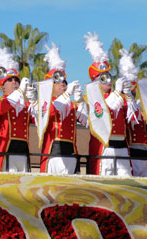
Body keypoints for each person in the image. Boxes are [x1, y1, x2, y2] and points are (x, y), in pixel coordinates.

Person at [83, 32, 133, 176]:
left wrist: (129, 97)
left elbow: (134, 118)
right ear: (95, 80)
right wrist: (118, 93)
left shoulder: (120, 97)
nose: (108, 80)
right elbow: (104, 111)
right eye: (103, 77)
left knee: (126, 185)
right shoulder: (91, 98)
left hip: (122, 146)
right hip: (105, 147)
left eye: (108, 76)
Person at [36, 43, 86, 174]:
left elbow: (88, 122)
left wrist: (81, 102)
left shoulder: (71, 104)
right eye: (58, 82)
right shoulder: (43, 103)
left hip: (71, 153)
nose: (62, 85)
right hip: (53, 154)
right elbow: (50, 112)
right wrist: (67, 94)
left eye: (64, 83)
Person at [0, 47, 33, 172]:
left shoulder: (25, 105)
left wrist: (33, 100)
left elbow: (39, 120)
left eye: (16, 80)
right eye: (9, 80)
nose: (14, 82)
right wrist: (20, 92)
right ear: (2, 87)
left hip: (23, 152)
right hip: (5, 151)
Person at [118, 48, 147, 177]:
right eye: (129, 88)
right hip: (131, 150)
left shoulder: (140, 106)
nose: (132, 91)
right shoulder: (121, 103)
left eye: (134, 88)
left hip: (145, 151)